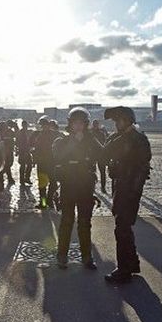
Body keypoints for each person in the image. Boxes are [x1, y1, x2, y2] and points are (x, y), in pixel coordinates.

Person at [102, 106, 151, 284]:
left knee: (121, 228)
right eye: (115, 121)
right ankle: (132, 263)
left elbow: (143, 164)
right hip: (121, 186)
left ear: (128, 121)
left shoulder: (137, 139)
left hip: (129, 189)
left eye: (119, 121)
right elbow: (106, 152)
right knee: (124, 227)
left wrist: (132, 192)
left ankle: (123, 270)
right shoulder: (122, 137)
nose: (116, 124)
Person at [53, 107, 102, 270]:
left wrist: (88, 140)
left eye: (81, 123)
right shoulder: (63, 141)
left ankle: (87, 257)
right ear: (70, 124)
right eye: (75, 123)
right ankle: (62, 255)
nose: (78, 126)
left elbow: (102, 156)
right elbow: (57, 158)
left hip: (86, 188)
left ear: (86, 124)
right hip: (68, 186)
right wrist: (74, 142)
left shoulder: (91, 140)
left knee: (85, 223)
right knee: (66, 221)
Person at [31, 115, 59, 209]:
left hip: (50, 163)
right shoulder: (39, 135)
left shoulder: (53, 135)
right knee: (43, 185)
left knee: (53, 183)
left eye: (44, 125)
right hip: (43, 163)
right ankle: (44, 203)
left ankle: (49, 200)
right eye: (42, 125)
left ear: (47, 125)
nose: (43, 127)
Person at [91, 119, 108, 193]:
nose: (95, 126)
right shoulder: (91, 133)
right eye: (95, 124)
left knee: (102, 172)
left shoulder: (101, 133)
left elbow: (104, 143)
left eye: (96, 124)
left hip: (100, 155)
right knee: (92, 172)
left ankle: (103, 187)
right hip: (93, 155)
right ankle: (93, 186)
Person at [0, 121, 16, 185]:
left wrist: (15, 126)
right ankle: (1, 177)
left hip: (9, 152)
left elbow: (16, 134)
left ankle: (8, 178)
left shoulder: (9, 132)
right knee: (5, 166)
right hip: (2, 153)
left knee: (9, 165)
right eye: (3, 127)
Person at [16, 120, 33, 186]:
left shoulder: (26, 132)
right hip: (23, 151)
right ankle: (22, 180)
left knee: (29, 165)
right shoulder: (21, 133)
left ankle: (26, 178)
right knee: (23, 166)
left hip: (26, 151)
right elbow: (19, 143)